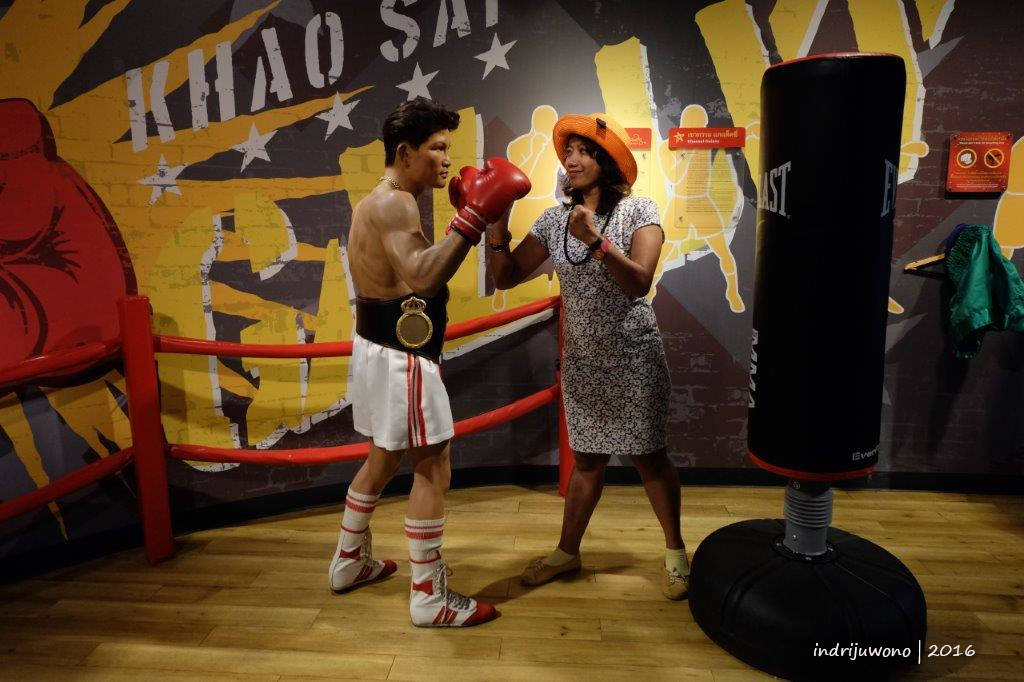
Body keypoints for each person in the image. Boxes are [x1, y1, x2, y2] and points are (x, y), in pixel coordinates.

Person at [328, 97, 530, 627]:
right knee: (433, 466)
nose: (447, 159)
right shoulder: (396, 204)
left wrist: (467, 222)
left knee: (382, 457)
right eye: (437, 148)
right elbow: (422, 277)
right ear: (405, 152)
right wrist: (473, 218)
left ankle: (348, 562)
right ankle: (428, 597)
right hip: (403, 355)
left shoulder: (379, 201)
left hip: (376, 347)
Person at [488, 113, 688, 600]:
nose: (571, 160)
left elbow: (639, 281)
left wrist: (597, 242)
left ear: (607, 160)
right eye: (568, 152)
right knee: (587, 461)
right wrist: (496, 225)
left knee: (649, 457)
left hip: (634, 356)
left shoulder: (639, 211)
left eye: (583, 152)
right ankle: (567, 552)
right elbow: (506, 276)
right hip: (584, 361)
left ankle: (676, 552)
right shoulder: (554, 220)